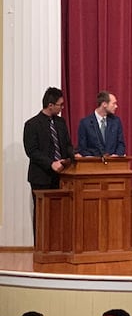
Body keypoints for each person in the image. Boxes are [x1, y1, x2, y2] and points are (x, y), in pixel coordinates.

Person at [24, 87, 75, 235]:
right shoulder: (32, 125)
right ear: (50, 105)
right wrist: (51, 163)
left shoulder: (61, 122)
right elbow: (32, 151)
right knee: (42, 214)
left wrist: (73, 155)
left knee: (59, 214)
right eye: (60, 105)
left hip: (61, 176)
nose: (62, 108)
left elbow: (67, 145)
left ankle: (58, 245)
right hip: (41, 177)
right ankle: (41, 245)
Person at [77, 91, 126, 157]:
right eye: (113, 104)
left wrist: (117, 155)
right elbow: (82, 147)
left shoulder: (116, 121)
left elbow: (121, 144)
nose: (116, 106)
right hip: (94, 162)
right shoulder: (85, 123)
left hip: (113, 162)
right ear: (104, 104)